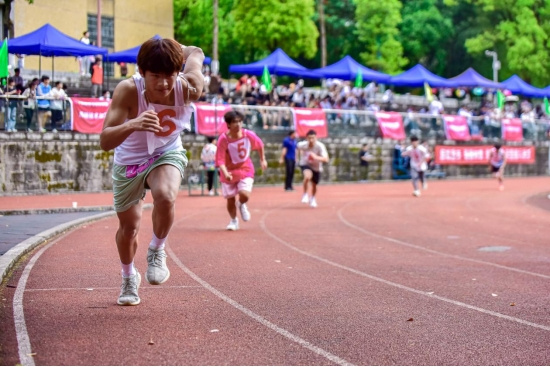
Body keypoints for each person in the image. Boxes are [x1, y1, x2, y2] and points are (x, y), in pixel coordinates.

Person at [99, 38, 204, 306]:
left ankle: (157, 249)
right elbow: (105, 141)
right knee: (129, 227)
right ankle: (128, 276)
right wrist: (133, 124)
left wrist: (173, 48)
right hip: (130, 160)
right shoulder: (127, 90)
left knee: (166, 195)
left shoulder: (189, 88)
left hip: (165, 152)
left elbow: (197, 52)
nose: (164, 84)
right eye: (155, 76)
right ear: (142, 72)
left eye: (169, 75)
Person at [216, 110, 267, 231]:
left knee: (244, 194)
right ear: (228, 124)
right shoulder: (224, 139)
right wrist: (225, 173)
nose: (238, 124)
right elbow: (220, 159)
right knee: (230, 198)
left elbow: (260, 145)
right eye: (234, 122)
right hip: (228, 171)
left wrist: (262, 159)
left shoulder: (247, 134)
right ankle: (233, 220)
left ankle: (242, 204)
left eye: (240, 121)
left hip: (245, 168)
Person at [297, 129, 329, 208]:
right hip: (305, 164)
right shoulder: (302, 145)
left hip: (316, 166)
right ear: (306, 138)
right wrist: (297, 158)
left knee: (314, 184)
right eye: (309, 138)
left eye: (313, 138)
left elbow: (326, 159)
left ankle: (313, 198)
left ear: (316, 138)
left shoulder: (320, 146)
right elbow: (297, 148)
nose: (311, 140)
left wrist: (315, 157)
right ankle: (305, 194)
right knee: (307, 176)